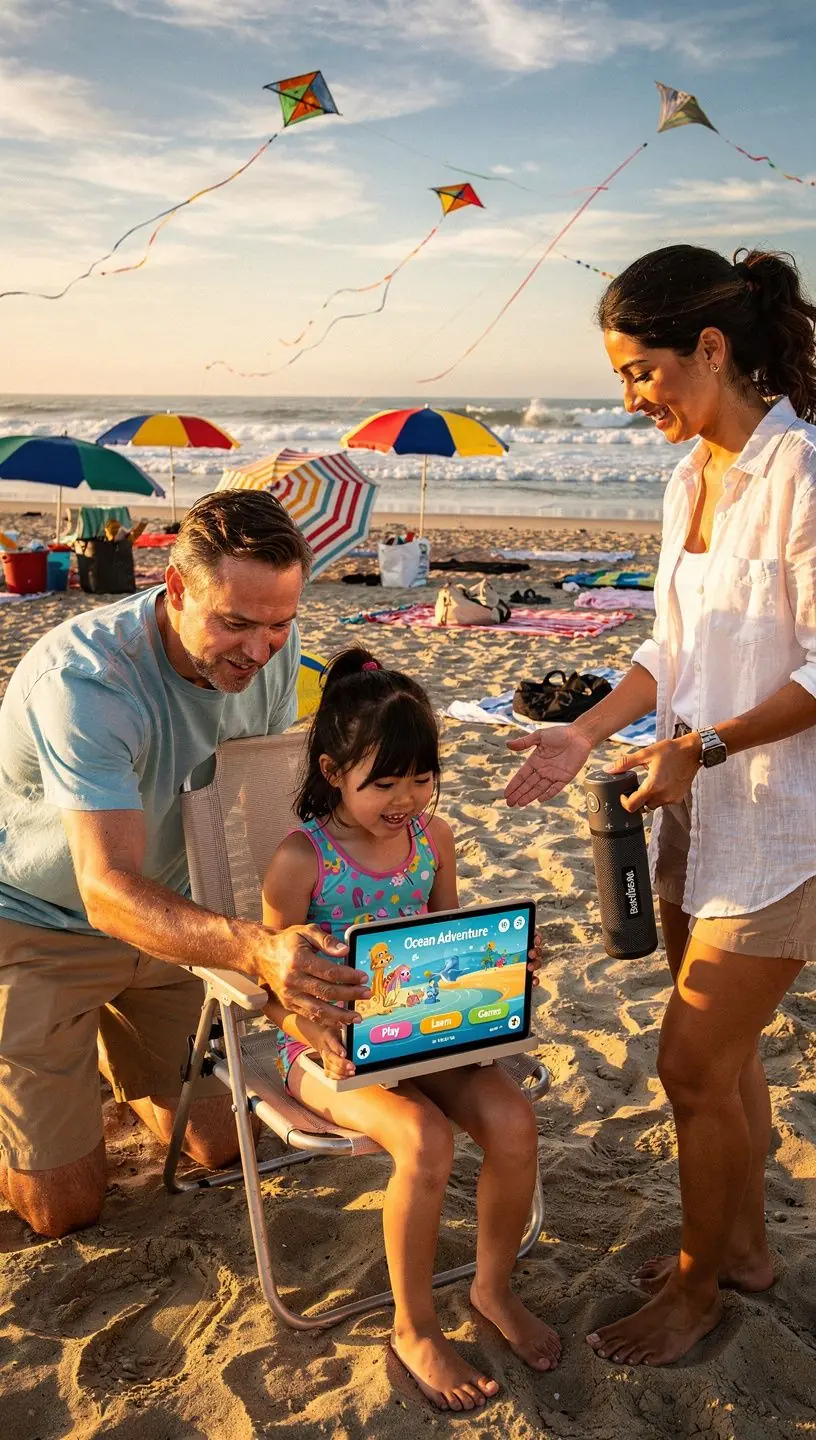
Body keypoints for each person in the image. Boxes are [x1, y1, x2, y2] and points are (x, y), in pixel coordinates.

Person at [505, 245, 816, 1367]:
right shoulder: (689, 475)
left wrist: (706, 744)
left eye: (643, 373)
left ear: (713, 349)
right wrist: (585, 730)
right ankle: (742, 1250)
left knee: (688, 1065)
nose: (633, 399)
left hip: (788, 828)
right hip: (694, 807)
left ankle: (698, 1290)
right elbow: (668, 647)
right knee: (727, 1064)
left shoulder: (806, 476)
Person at [0, 490, 368, 1240]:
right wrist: (255, 949)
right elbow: (105, 890)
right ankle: (47, 1049)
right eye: (234, 623)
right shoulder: (88, 681)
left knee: (227, 1147)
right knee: (65, 1213)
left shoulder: (271, 646)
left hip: (170, 921)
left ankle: (103, 1055)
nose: (261, 651)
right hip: (36, 925)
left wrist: (291, 940)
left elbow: (252, 813)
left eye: (279, 623)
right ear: (174, 590)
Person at [262, 647, 560, 1411]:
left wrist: (501, 968)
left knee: (514, 1120)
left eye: (421, 777)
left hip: (422, 1033)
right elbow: (269, 987)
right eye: (383, 781)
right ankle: (414, 1325)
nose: (406, 797)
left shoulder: (434, 840)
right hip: (326, 1049)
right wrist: (314, 1024)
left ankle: (492, 1288)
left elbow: (445, 936)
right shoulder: (302, 862)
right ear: (334, 772)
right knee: (424, 1141)